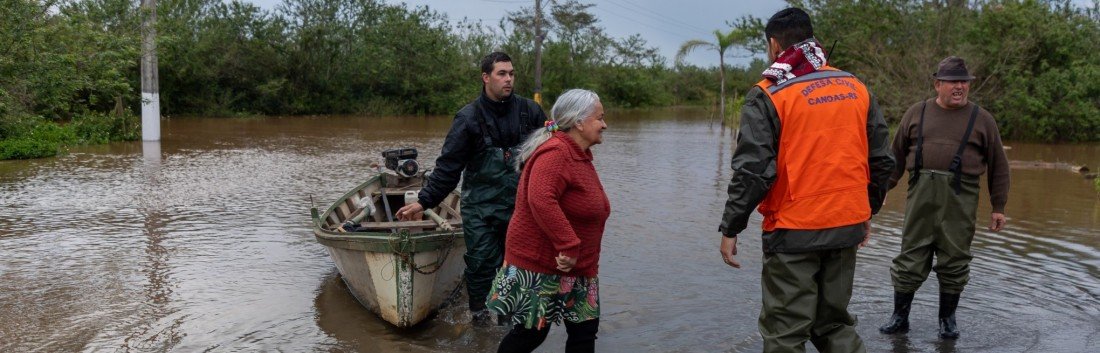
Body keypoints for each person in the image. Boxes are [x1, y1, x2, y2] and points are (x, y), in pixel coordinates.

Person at [717, 8, 895, 353]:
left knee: (785, 332)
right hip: (847, 224)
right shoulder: (855, 86)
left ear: (773, 44)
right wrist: (865, 212)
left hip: (795, 230)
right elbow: (882, 161)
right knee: (834, 325)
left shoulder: (768, 93)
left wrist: (730, 227)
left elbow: (754, 171)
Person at [395, 52, 546, 325]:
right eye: (502, 74)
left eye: (511, 73)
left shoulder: (531, 112)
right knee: (480, 265)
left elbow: (549, 160)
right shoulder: (467, 119)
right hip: (480, 209)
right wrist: (423, 202)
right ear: (486, 77)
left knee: (519, 266)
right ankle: (479, 319)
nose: (508, 79)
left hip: (520, 208)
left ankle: (511, 320)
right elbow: (448, 169)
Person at [877, 56, 1010, 340]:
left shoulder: (983, 119)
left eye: (964, 82)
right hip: (920, 199)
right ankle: (900, 318)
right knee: (909, 257)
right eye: (952, 82)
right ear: (938, 84)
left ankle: (947, 320)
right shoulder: (916, 112)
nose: (959, 87)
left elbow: (999, 165)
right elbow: (895, 155)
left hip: (960, 202)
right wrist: (883, 189)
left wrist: (998, 206)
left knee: (955, 260)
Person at [484, 89, 610, 353]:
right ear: (579, 122)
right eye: (599, 118)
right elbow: (540, 199)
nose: (604, 124)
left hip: (579, 268)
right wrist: (569, 244)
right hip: (543, 265)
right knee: (530, 335)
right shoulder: (555, 153)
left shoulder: (578, 153)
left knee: (585, 334)